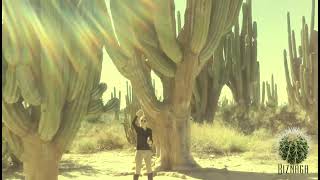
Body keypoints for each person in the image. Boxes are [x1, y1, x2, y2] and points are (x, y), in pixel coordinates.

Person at [132, 109, 153, 180]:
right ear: (140, 122)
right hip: (139, 152)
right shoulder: (138, 129)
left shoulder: (149, 130)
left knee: (149, 169)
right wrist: (136, 115)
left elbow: (151, 140)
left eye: (144, 121)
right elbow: (133, 123)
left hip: (147, 151)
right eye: (141, 120)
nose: (143, 122)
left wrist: (150, 142)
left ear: (147, 122)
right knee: (137, 170)